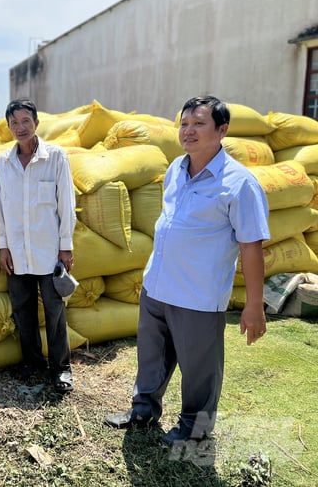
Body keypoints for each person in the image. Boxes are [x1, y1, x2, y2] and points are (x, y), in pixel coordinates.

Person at [104, 96, 270, 446]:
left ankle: (196, 433)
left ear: (222, 130)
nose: (188, 131)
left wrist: (255, 306)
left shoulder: (239, 183)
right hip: (158, 285)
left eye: (199, 124)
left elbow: (251, 245)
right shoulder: (176, 169)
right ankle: (143, 410)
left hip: (197, 294)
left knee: (200, 372)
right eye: (184, 124)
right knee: (151, 358)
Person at [0, 98, 77, 393]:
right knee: (22, 309)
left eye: (25, 121)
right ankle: (31, 362)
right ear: (8, 127)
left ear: (36, 123)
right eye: (14, 122)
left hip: (48, 249)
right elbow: (1, 208)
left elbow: (66, 203)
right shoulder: (4, 163)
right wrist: (3, 246)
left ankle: (61, 369)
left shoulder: (55, 157)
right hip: (16, 251)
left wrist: (65, 246)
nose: (20, 127)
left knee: (54, 311)